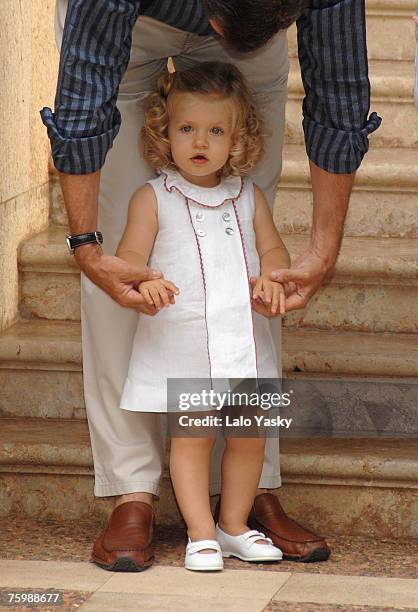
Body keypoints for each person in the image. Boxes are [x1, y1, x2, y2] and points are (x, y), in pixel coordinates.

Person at [41, 0, 381, 570]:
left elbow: (340, 94)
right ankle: (132, 489)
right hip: (131, 25)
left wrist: (321, 251)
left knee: (250, 256)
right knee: (127, 246)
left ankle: (248, 490)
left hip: (254, 18)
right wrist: (87, 247)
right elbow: (82, 105)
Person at [115, 61, 288, 571]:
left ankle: (234, 524)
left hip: (246, 343)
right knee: (193, 437)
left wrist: (272, 277)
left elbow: (273, 250)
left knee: (249, 436)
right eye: (186, 128)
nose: (200, 141)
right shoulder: (154, 198)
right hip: (184, 340)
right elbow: (127, 260)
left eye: (216, 131)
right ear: (164, 131)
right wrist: (144, 280)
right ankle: (200, 532)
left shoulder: (246, 196)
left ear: (238, 138)